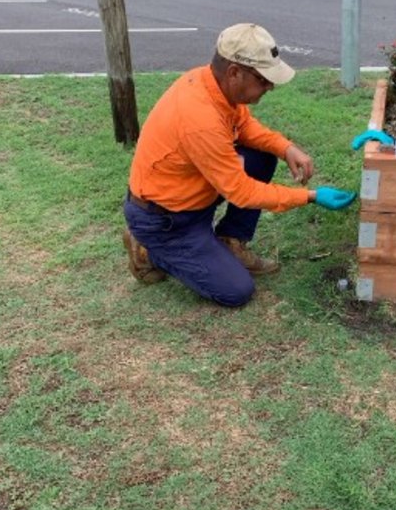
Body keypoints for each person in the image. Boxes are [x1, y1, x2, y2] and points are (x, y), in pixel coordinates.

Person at [123, 22, 356, 307]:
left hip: (192, 197)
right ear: (234, 72)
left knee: (261, 156)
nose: (270, 86)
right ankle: (148, 250)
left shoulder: (214, 85)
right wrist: (310, 196)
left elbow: (244, 126)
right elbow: (241, 192)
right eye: (263, 79)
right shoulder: (200, 119)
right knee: (235, 290)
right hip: (166, 220)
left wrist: (285, 147)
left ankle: (229, 241)